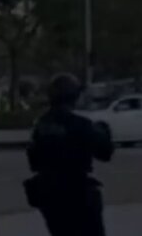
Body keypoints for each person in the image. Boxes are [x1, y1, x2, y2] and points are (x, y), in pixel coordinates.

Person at [24, 73, 114, 236]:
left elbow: (33, 161)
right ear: (74, 96)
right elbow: (105, 153)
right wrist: (104, 132)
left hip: (50, 195)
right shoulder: (81, 125)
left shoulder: (41, 125)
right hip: (77, 194)